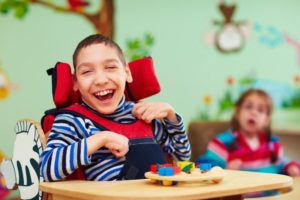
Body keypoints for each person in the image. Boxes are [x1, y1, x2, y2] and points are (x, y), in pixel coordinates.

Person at [40, 34, 191, 182]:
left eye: (110, 67)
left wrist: (171, 116)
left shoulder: (142, 114)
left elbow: (182, 157)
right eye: (87, 72)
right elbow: (45, 169)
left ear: (126, 73)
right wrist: (101, 138)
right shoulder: (73, 120)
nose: (101, 80)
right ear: (75, 82)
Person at [197, 88, 300, 176]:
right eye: (248, 107)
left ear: (266, 120)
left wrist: (291, 167)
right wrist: (225, 170)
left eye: (260, 110)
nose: (254, 112)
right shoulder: (222, 143)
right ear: (237, 112)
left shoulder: (273, 144)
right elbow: (202, 167)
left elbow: (282, 164)